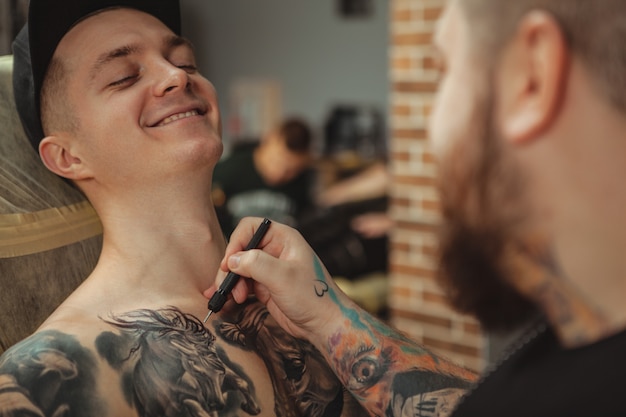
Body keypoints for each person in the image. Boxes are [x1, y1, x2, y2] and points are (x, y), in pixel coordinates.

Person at [206, 0, 626, 415]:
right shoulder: (578, 355)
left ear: (531, 75)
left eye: (444, 71)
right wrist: (326, 316)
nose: (431, 130)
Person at [0, 1, 366, 416]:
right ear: (68, 156)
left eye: (186, 63)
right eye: (124, 77)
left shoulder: (312, 309)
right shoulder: (46, 379)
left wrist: (337, 317)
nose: (176, 76)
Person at [212, 117, 315, 236]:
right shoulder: (228, 170)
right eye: (275, 161)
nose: (279, 174)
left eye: (291, 171)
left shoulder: (302, 183)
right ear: (266, 141)